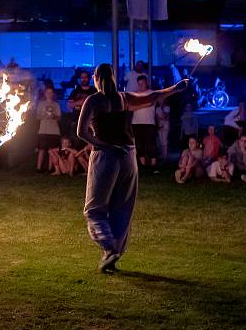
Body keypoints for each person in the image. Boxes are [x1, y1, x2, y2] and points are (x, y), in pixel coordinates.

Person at [77, 63, 187, 273]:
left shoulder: (93, 100)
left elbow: (82, 132)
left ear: (95, 78)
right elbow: (153, 96)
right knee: (121, 207)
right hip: (129, 156)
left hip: (107, 156)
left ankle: (109, 249)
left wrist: (102, 145)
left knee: (95, 210)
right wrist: (175, 88)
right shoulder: (123, 98)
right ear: (113, 77)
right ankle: (113, 256)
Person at [131, 75, 159, 172]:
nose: (140, 86)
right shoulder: (134, 95)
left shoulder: (152, 93)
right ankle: (143, 166)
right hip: (136, 123)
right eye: (139, 84)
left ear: (147, 83)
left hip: (149, 123)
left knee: (151, 144)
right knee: (139, 145)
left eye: (142, 83)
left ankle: (153, 166)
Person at [35, 87, 62, 172]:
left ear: (53, 94)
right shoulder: (41, 104)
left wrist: (53, 116)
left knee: (52, 150)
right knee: (41, 149)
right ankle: (38, 168)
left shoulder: (56, 104)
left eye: (51, 92)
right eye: (48, 92)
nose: (49, 94)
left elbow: (59, 118)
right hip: (43, 129)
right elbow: (37, 116)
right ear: (45, 93)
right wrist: (45, 115)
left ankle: (50, 168)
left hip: (54, 130)